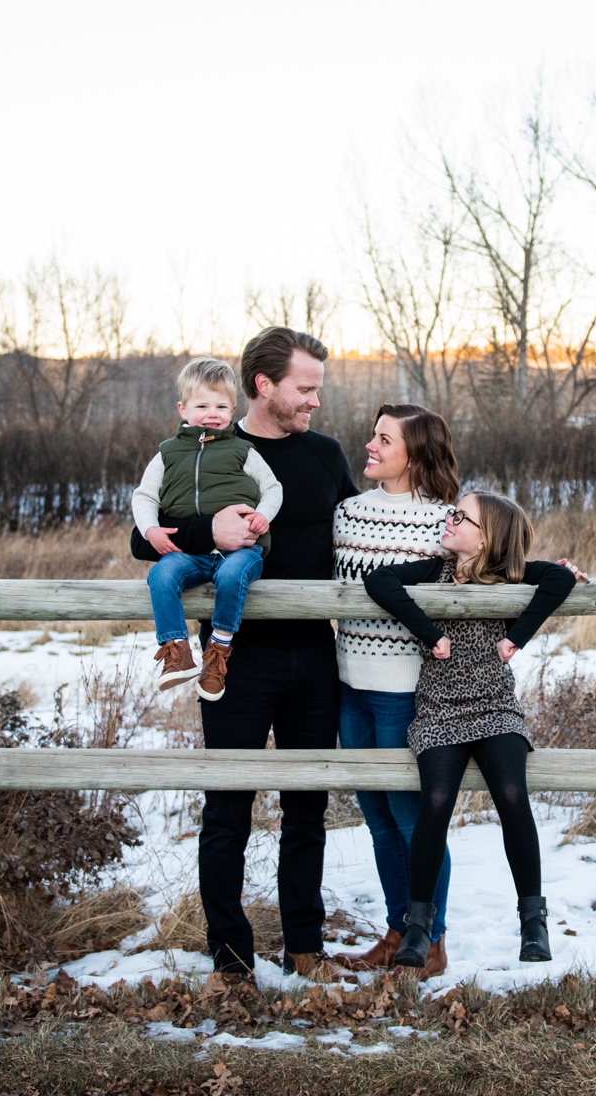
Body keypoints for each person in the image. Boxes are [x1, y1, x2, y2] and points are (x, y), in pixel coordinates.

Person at [130, 327, 360, 984]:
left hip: (316, 657)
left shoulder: (323, 454)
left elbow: (364, 534)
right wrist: (210, 531)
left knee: (307, 809)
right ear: (264, 385)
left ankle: (305, 951)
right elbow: (144, 541)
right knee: (227, 807)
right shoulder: (207, 449)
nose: (316, 401)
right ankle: (229, 962)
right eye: (305, 388)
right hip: (234, 662)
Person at [361, 491, 577, 968]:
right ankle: (418, 928)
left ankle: (532, 922)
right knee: (434, 803)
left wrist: (515, 639)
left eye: (462, 516)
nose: (449, 518)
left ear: (488, 537)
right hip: (439, 711)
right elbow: (379, 580)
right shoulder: (432, 571)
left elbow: (559, 577)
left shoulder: (509, 574)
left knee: (512, 796)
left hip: (495, 708)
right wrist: (430, 633)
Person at [328, 405, 457, 976]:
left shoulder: (446, 522)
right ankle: (395, 931)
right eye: (373, 435)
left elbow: (493, 569)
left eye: (385, 439)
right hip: (349, 686)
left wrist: (557, 572)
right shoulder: (347, 514)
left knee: (414, 823)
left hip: (406, 693)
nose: (371, 445)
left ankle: (430, 942)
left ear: (416, 452)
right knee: (377, 819)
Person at [132, 356, 283, 700]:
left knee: (232, 576)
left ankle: (218, 653)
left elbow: (273, 488)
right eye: (202, 405)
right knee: (162, 575)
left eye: (220, 405)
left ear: (232, 410)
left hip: (243, 550)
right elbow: (144, 497)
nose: (212, 413)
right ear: (183, 409)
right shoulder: (167, 454)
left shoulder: (243, 450)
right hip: (193, 554)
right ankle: (177, 651)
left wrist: (263, 515)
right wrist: (151, 531)